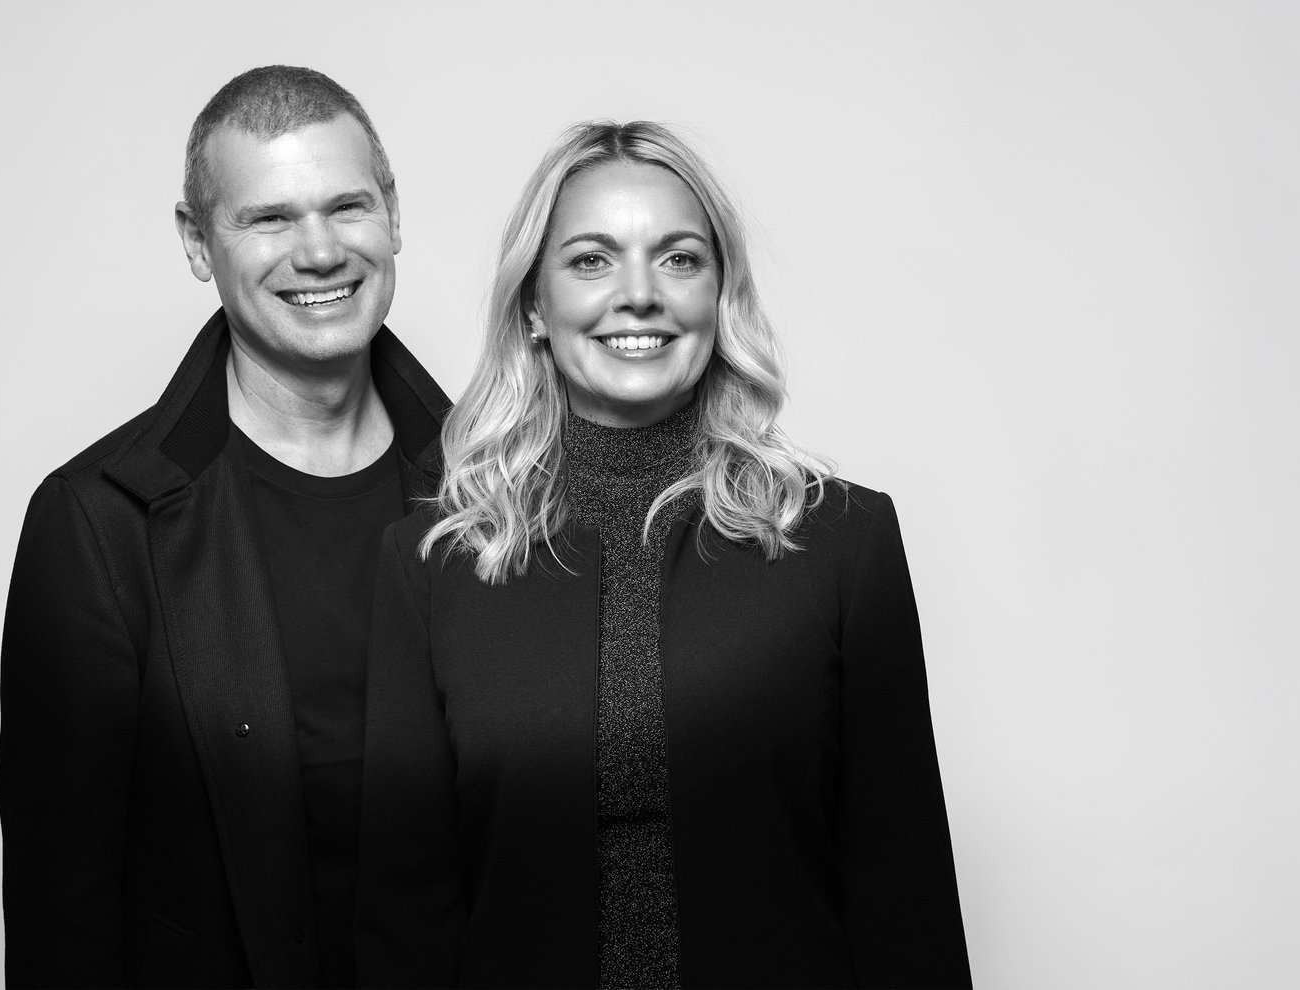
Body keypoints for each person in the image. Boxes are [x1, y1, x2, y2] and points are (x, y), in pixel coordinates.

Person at [355, 121, 972, 988]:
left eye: (680, 258)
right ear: (534, 305)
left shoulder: (842, 544)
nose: (639, 294)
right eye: (591, 260)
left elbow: (902, 894)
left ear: (719, 295)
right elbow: (405, 914)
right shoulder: (432, 566)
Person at [0, 65, 450, 988]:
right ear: (198, 242)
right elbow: (62, 917)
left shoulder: (505, 491)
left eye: (347, 206)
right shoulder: (97, 524)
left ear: (394, 215)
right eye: (269, 218)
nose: (319, 251)